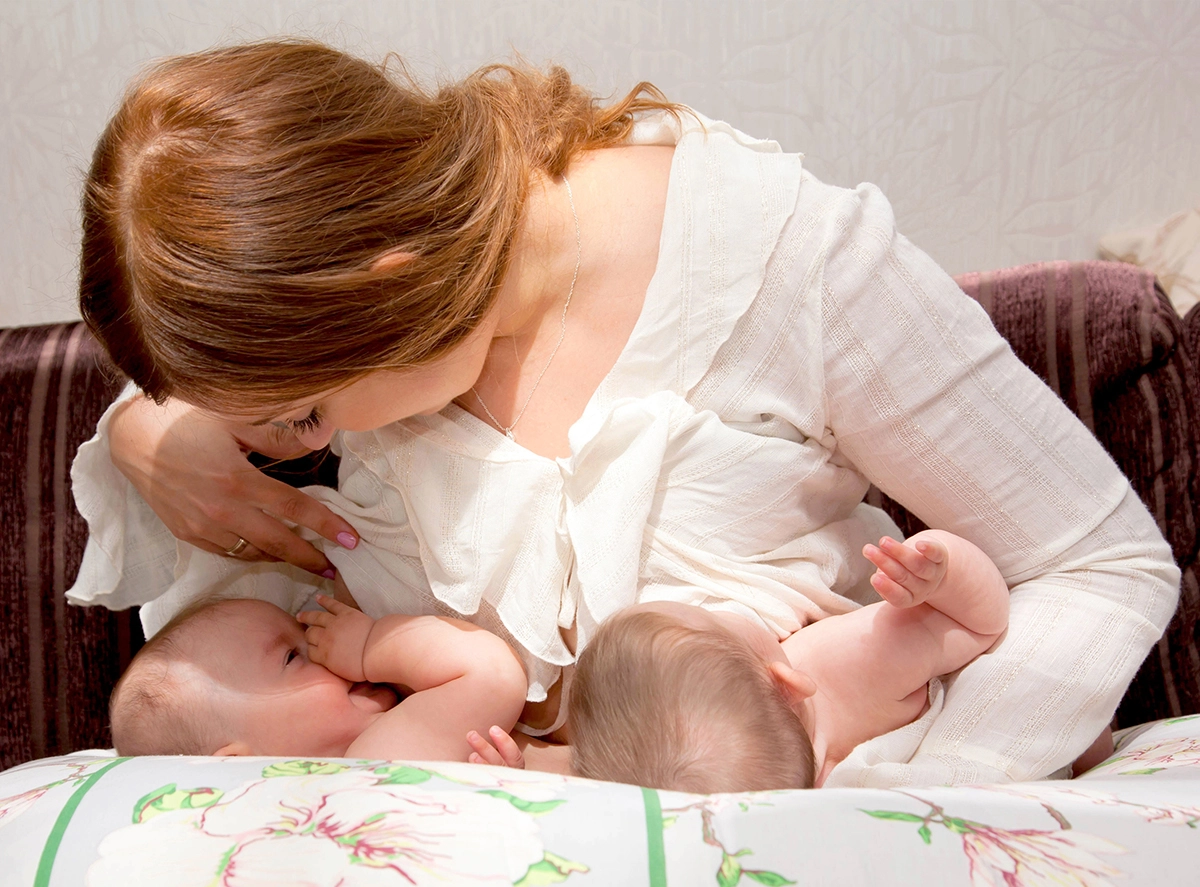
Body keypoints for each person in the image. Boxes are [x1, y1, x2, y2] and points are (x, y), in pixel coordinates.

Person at [70, 39, 1178, 788]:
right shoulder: (365, 336)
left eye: (309, 416)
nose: (305, 450)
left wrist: (883, 806)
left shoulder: (782, 264)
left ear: (387, 282)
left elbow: (1105, 562)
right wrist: (147, 432)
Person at [109, 593, 528, 760]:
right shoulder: (369, 765)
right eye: (293, 656)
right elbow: (491, 675)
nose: (322, 646)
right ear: (234, 765)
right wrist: (370, 647)